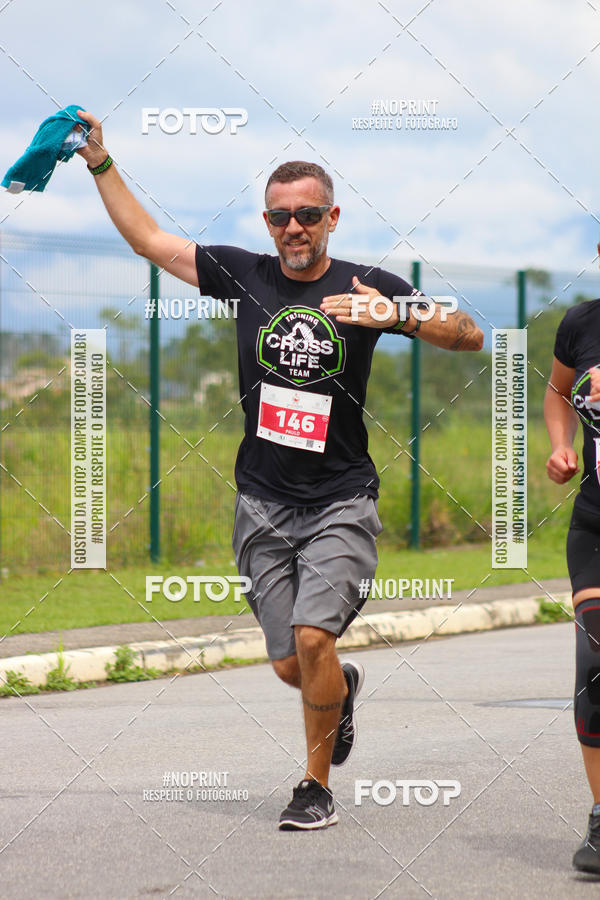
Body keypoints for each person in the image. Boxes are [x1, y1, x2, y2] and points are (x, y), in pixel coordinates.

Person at [76, 109, 483, 830]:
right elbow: (148, 239)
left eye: (306, 215)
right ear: (266, 223)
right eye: (279, 217)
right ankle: (340, 691)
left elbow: (468, 334)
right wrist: (100, 163)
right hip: (262, 500)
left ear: (331, 216)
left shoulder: (367, 283)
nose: (293, 229)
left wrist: (394, 315)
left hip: (340, 499)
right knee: (293, 667)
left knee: (313, 638)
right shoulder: (244, 273)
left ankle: (314, 786)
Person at [545, 297, 600, 871]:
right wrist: (561, 446)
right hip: (596, 522)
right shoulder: (583, 322)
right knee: (596, 659)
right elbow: (559, 392)